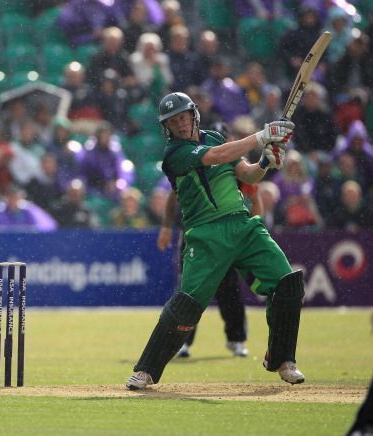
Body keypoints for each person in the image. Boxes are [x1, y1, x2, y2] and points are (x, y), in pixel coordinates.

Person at [126, 92, 303, 390]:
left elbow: (247, 174)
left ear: (193, 115)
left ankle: (283, 359)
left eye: (183, 117)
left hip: (243, 225)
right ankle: (146, 370)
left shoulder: (216, 137)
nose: (180, 125)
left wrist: (265, 162)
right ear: (166, 127)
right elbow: (217, 157)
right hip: (205, 234)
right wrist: (262, 136)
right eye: (172, 122)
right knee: (186, 306)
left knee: (287, 283)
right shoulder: (174, 153)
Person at [158, 121, 260, 359]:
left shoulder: (235, 165)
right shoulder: (191, 160)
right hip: (196, 231)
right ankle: (181, 341)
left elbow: (256, 198)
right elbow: (173, 198)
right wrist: (165, 226)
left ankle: (236, 339)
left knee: (229, 289)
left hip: (228, 233)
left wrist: (253, 233)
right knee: (189, 289)